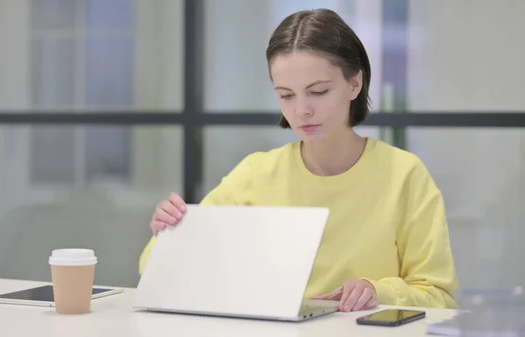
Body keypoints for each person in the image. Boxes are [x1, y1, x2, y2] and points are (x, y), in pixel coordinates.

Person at [138, 8, 459, 312]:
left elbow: (440, 299)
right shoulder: (256, 174)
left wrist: (379, 292)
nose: (301, 110)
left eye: (318, 91)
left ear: (354, 83)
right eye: (286, 95)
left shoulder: (404, 175)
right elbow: (157, 273)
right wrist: (169, 234)